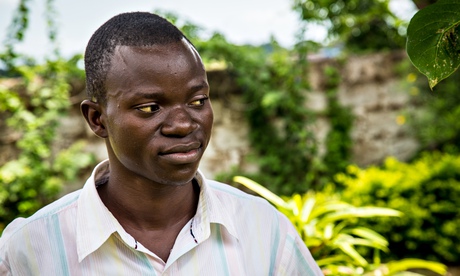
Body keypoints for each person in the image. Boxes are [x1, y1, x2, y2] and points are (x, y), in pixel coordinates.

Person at [0, 12, 322, 275]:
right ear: (97, 119)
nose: (183, 124)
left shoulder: (265, 231)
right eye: (150, 108)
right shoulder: (29, 251)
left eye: (197, 101)